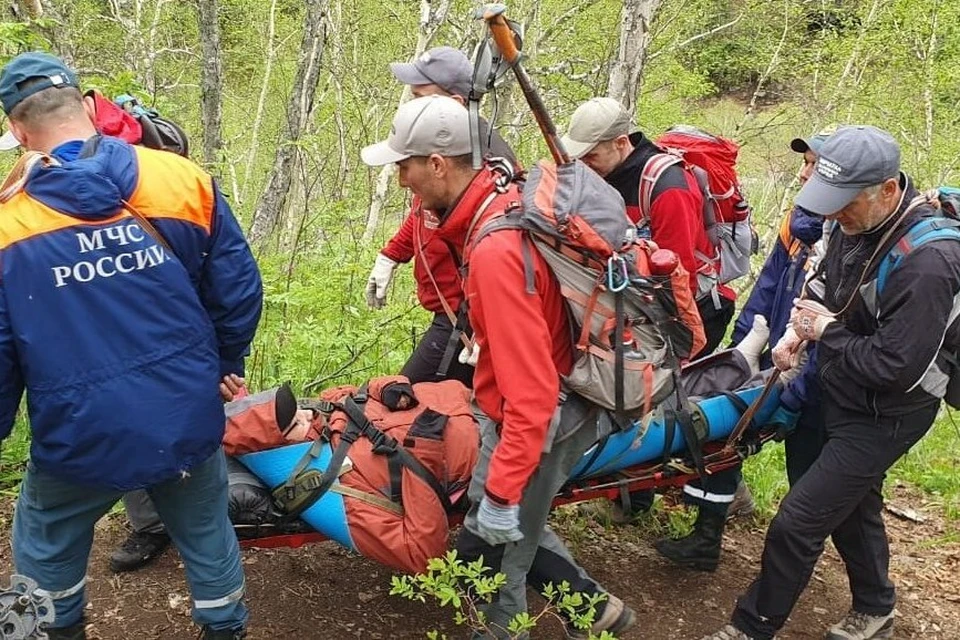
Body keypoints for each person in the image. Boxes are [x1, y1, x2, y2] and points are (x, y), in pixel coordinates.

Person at [0, 52, 262, 640]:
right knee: (206, 530)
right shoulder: (181, 180)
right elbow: (239, 289)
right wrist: (222, 364)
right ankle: (226, 627)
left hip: (80, 432)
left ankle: (52, 628)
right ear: (90, 107)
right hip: (184, 414)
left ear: (17, 130)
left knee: (44, 541)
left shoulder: (8, 223)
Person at [361, 95, 636, 640]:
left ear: (438, 163)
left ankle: (537, 624)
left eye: (405, 165)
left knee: (500, 557)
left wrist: (504, 492)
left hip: (541, 419)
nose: (400, 179)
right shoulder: (500, 200)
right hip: (544, 408)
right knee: (505, 547)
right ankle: (594, 614)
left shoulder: (494, 248)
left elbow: (531, 397)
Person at [703, 125, 960, 640]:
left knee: (797, 523)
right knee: (851, 503)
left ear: (888, 189)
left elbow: (895, 367)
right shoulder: (856, 221)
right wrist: (798, 331)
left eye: (847, 202)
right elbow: (827, 282)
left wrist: (826, 331)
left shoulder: (930, 262)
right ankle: (876, 606)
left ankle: (750, 628)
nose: (836, 214)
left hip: (891, 411)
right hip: (843, 386)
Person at [561, 97, 747, 563]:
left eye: (593, 155)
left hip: (693, 312)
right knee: (640, 401)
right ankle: (635, 497)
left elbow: (676, 270)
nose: (586, 165)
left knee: (684, 408)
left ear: (621, 142)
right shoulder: (608, 176)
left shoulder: (668, 186)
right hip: (644, 308)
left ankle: (711, 527)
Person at [364, 46, 516, 387]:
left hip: (464, 319)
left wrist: (488, 325)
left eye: (421, 97)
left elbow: (499, 253)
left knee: (407, 402)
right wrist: (391, 255)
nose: (411, 106)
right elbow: (423, 213)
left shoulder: (480, 168)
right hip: (448, 313)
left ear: (455, 105)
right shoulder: (440, 163)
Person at [729, 126, 837, 486]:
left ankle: (804, 535)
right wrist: (741, 347)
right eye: (805, 164)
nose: (804, 174)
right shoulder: (797, 220)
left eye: (814, 165)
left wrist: (798, 393)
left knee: (808, 470)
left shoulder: (847, 236)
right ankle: (709, 528)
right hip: (780, 354)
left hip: (819, 377)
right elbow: (768, 286)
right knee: (729, 432)